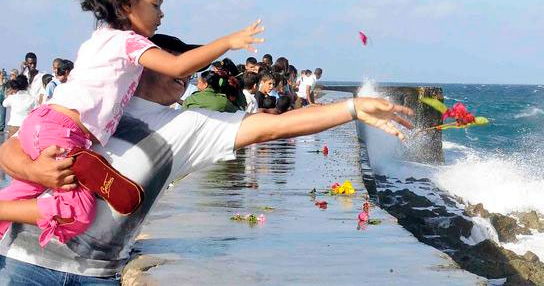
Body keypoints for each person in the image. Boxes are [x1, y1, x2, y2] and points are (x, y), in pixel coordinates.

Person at [0, 35, 413, 284]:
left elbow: (271, 127)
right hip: (23, 261)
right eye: (176, 66)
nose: (185, 77)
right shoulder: (96, 102)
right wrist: (34, 170)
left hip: (99, 274)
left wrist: (352, 109)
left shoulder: (188, 126)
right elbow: (12, 147)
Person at [0, 0, 265, 249]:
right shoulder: (128, 42)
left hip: (45, 123)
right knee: (77, 212)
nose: (161, 14)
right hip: (64, 132)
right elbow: (178, 66)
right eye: (156, 5)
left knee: (21, 194)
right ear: (126, 4)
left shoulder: (100, 35)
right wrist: (227, 42)